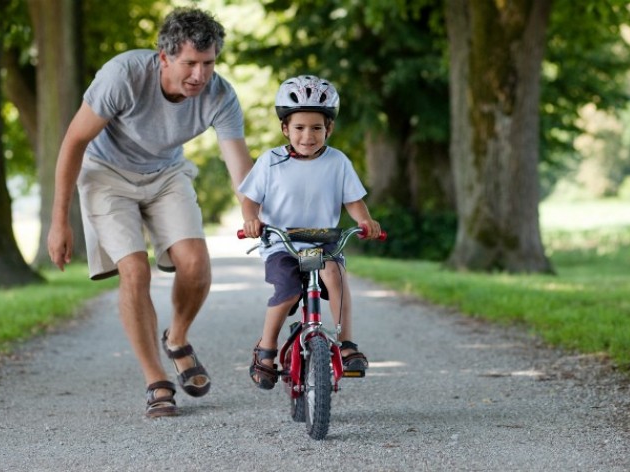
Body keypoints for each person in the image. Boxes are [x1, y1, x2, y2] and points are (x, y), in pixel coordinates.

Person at [47, 8, 253, 418]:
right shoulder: (123, 76)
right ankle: (155, 379)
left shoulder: (220, 95)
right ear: (164, 57)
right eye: (189, 63)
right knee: (135, 270)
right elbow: (73, 142)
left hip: (164, 174)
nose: (199, 75)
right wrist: (59, 222)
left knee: (195, 264)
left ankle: (177, 339)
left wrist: (252, 214)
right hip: (106, 175)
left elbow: (239, 165)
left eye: (208, 63)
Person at [239, 75, 382, 390]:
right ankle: (266, 349)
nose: (308, 136)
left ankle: (346, 344)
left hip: (323, 241)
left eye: (317, 128)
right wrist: (251, 220)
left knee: (335, 274)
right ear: (285, 129)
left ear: (328, 129)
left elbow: (354, 202)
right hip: (282, 243)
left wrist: (366, 221)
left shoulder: (337, 162)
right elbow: (249, 200)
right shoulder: (270, 162)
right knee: (287, 289)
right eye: (300, 128)